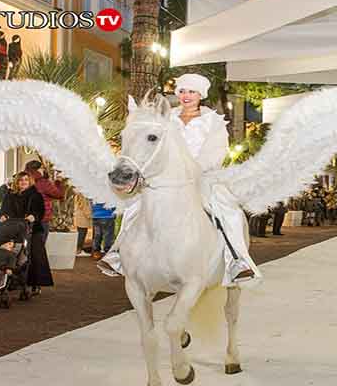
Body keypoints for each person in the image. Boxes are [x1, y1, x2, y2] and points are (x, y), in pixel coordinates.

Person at [101, 73, 262, 286]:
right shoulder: (167, 118)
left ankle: (237, 260)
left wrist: (192, 170)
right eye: (183, 91)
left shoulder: (213, 122)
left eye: (192, 91)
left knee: (226, 209)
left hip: (202, 176)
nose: (186, 96)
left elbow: (216, 152)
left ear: (200, 95)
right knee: (135, 207)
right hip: (165, 176)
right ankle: (118, 252)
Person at [0, 171, 53, 295]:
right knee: (12, 255)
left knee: (33, 256)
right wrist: (2, 217)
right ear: (17, 182)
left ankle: (35, 283)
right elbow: (3, 210)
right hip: (13, 230)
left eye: (26, 180)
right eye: (21, 180)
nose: (23, 182)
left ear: (30, 182)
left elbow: (40, 211)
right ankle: (11, 280)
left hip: (31, 229)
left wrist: (34, 217)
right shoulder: (10, 195)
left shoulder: (35, 195)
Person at [24, 160, 64, 243]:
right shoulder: (43, 182)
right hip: (42, 217)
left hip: (25, 217)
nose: (43, 170)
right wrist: (58, 182)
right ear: (38, 170)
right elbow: (59, 194)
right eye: (42, 168)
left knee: (27, 244)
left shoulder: (23, 180)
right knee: (39, 245)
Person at [74, 192, 92, 257]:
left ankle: (79, 249)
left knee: (82, 233)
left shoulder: (79, 193)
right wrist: (89, 215)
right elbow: (84, 206)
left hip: (81, 216)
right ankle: (78, 250)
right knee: (82, 233)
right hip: (82, 217)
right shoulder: (82, 193)